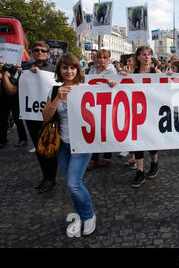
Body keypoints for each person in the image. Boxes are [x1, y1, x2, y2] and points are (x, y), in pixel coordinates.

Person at [42, 53, 114, 236]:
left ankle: (89, 215)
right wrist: (58, 97)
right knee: (71, 183)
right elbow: (45, 117)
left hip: (82, 144)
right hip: (63, 145)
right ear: (59, 70)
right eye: (65, 68)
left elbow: (107, 97)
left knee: (74, 184)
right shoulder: (54, 90)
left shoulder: (85, 88)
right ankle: (81, 216)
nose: (69, 71)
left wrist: (112, 86)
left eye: (72, 67)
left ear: (77, 70)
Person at [2, 42, 60, 193]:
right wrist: (5, 75)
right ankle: (46, 177)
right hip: (32, 116)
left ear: (48, 53)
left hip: (49, 116)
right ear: (32, 52)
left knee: (49, 148)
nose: (39, 52)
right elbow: (11, 91)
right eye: (36, 50)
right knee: (40, 149)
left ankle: (50, 178)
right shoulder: (23, 70)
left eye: (43, 50)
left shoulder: (54, 70)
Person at [120, 46, 161, 187]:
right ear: (138, 57)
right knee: (137, 140)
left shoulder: (156, 72)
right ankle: (140, 171)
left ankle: (154, 163)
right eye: (143, 54)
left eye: (149, 54)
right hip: (135, 111)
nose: (147, 57)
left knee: (151, 140)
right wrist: (120, 78)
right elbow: (122, 87)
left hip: (152, 111)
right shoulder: (132, 72)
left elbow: (167, 88)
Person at [86, 49, 117, 171]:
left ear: (108, 59)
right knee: (94, 130)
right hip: (94, 103)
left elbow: (117, 84)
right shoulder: (92, 70)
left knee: (105, 131)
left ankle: (107, 156)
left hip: (107, 103)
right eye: (100, 58)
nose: (102, 60)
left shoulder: (112, 70)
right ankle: (93, 158)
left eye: (104, 58)